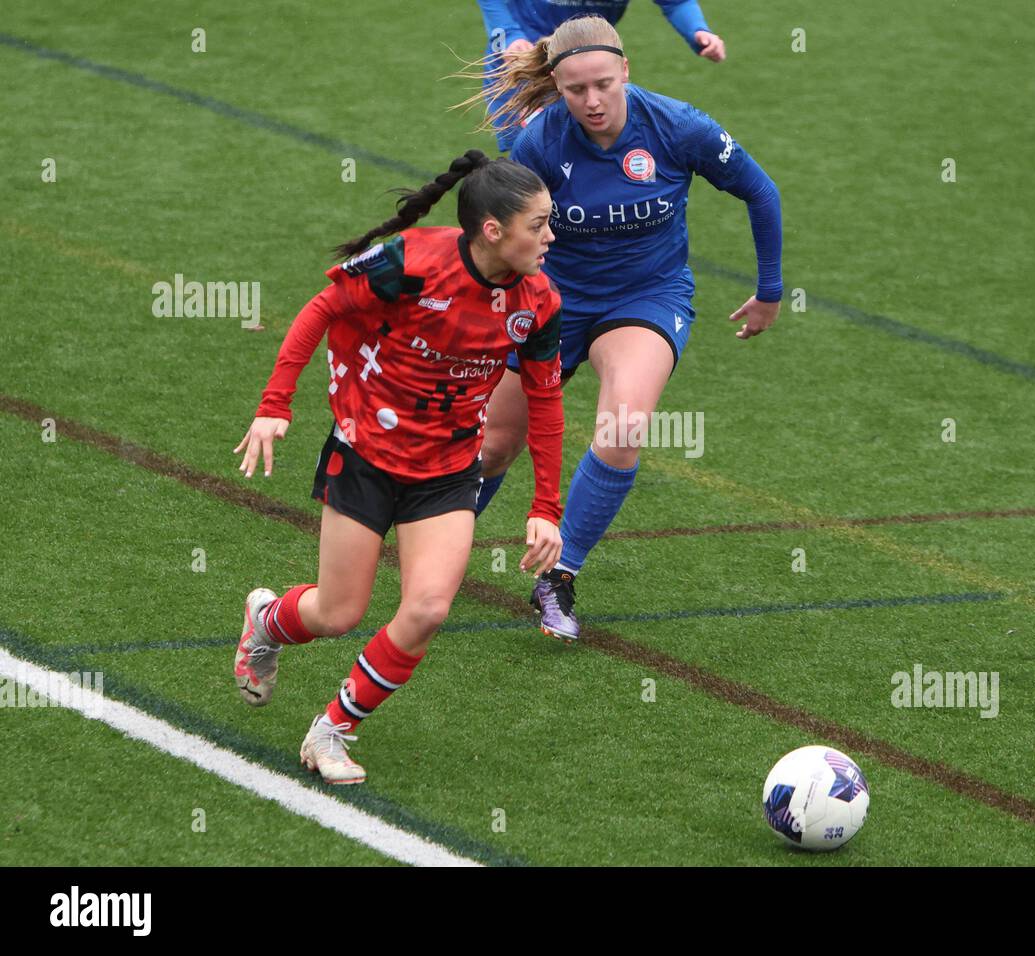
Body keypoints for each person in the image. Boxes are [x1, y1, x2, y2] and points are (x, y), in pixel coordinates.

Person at [231, 150, 565, 784]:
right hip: (366, 455)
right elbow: (322, 309)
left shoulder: (540, 302)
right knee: (337, 613)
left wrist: (545, 507)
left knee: (429, 609)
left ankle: (331, 731)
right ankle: (266, 622)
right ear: (492, 230)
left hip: (446, 471)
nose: (552, 236)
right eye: (540, 224)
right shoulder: (412, 262)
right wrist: (275, 404)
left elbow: (545, 402)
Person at [467, 15, 782, 642]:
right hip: (554, 301)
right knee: (494, 446)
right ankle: (437, 539)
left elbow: (761, 190)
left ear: (626, 72)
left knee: (622, 427)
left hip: (646, 297)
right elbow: (504, 240)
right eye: (576, 89)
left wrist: (769, 290)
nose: (592, 101)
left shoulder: (677, 126)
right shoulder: (539, 146)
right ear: (557, 86)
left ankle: (558, 576)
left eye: (603, 85)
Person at [474, 0, 726, 152]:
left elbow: (675, 2)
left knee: (591, 160)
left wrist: (697, 30)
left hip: (591, 74)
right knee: (531, 170)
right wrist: (508, 34)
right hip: (527, 66)